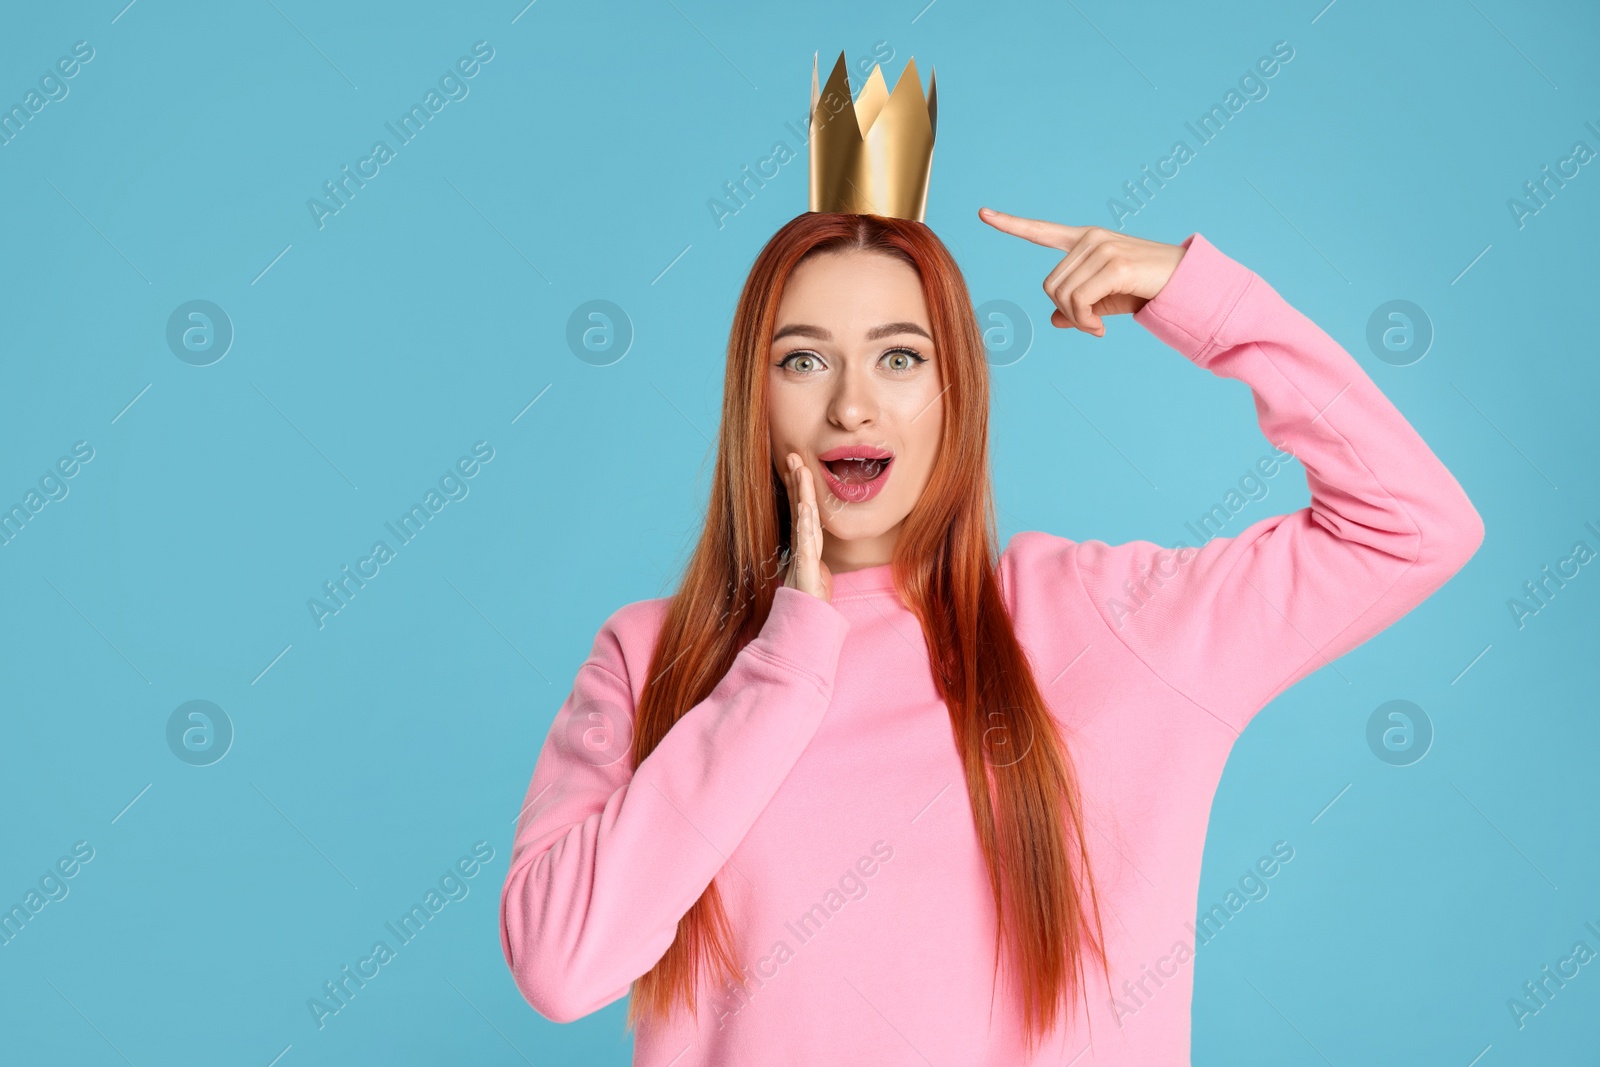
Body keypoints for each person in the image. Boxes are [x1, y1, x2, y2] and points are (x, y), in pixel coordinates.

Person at [496, 207, 1484, 1065]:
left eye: (900, 356)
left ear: (956, 391)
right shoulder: (653, 654)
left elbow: (1412, 524)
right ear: (751, 400)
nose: (850, 401)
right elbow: (559, 963)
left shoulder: (1108, 620)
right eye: (803, 358)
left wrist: (1200, 298)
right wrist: (785, 659)